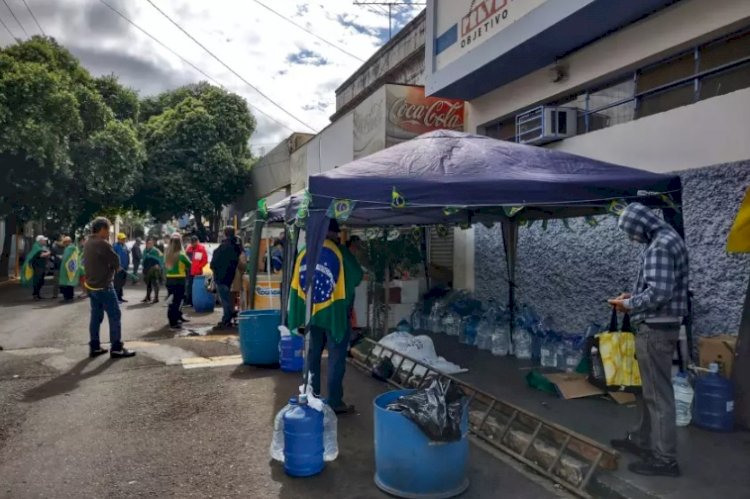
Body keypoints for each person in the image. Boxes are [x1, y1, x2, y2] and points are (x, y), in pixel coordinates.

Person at [608, 203, 689, 478]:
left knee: (658, 395)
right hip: (659, 326)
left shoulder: (660, 246)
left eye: (632, 233)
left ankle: (665, 459)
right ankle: (642, 440)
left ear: (640, 226)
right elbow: (657, 287)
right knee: (648, 391)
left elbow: (659, 293)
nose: (632, 238)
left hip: (655, 329)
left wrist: (629, 304)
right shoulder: (665, 237)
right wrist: (630, 296)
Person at [289, 220, 362, 414]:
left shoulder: (305, 251)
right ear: (334, 234)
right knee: (336, 358)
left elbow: (296, 284)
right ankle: (335, 401)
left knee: (313, 354)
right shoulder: (340, 252)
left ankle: (313, 396)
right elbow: (357, 277)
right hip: (336, 315)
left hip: (312, 314)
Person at [83, 217, 135, 359]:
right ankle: (116, 348)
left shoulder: (88, 243)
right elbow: (115, 260)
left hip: (92, 287)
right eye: (108, 230)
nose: (109, 233)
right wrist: (116, 268)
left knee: (96, 317)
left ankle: (94, 347)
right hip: (104, 286)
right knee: (115, 315)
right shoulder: (102, 243)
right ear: (102, 229)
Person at [210, 226, 242, 329]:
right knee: (230, 298)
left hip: (221, 277)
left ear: (224, 234)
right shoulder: (237, 247)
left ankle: (227, 319)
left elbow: (213, 264)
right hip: (233, 276)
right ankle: (230, 315)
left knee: (225, 300)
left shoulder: (220, 248)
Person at [164, 234, 192, 329]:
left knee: (171, 301)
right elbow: (189, 265)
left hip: (169, 280)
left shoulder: (167, 254)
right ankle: (174, 321)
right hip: (179, 280)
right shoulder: (181, 255)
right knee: (178, 301)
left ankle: (172, 319)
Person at [24, 235, 51, 300]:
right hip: (37, 266)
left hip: (42, 266)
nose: (45, 241)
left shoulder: (42, 247)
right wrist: (49, 253)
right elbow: (41, 255)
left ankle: (38, 294)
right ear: (40, 241)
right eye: (44, 240)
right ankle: (35, 294)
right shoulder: (36, 247)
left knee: (41, 281)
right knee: (37, 280)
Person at [185, 236, 208, 307]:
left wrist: (199, 267)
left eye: (194, 242)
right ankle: (189, 301)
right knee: (189, 287)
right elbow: (186, 258)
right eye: (192, 242)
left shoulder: (201, 249)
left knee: (195, 287)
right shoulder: (189, 249)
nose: (193, 244)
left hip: (197, 272)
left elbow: (205, 260)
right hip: (189, 271)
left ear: (197, 241)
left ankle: (194, 301)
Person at [141, 238, 164, 304]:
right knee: (148, 283)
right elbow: (143, 259)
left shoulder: (156, 251)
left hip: (154, 270)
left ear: (153, 244)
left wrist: (159, 266)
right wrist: (143, 265)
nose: (149, 245)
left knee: (155, 283)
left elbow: (162, 258)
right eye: (148, 243)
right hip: (146, 269)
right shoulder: (145, 251)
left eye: (150, 243)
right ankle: (148, 297)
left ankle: (156, 298)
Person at [58, 236, 79, 302]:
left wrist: (61, 257)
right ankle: (70, 297)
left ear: (67, 242)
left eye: (64, 242)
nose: (63, 243)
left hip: (66, 268)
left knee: (66, 284)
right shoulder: (74, 248)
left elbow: (65, 258)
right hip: (71, 268)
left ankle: (67, 298)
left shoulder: (69, 248)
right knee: (70, 283)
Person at [113, 233, 130, 303]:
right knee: (117, 284)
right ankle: (116, 299)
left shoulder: (125, 246)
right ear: (118, 239)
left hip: (125, 267)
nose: (124, 240)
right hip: (118, 268)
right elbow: (113, 257)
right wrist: (117, 266)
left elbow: (127, 255)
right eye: (122, 239)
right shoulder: (115, 246)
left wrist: (128, 264)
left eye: (124, 239)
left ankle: (120, 297)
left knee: (122, 283)